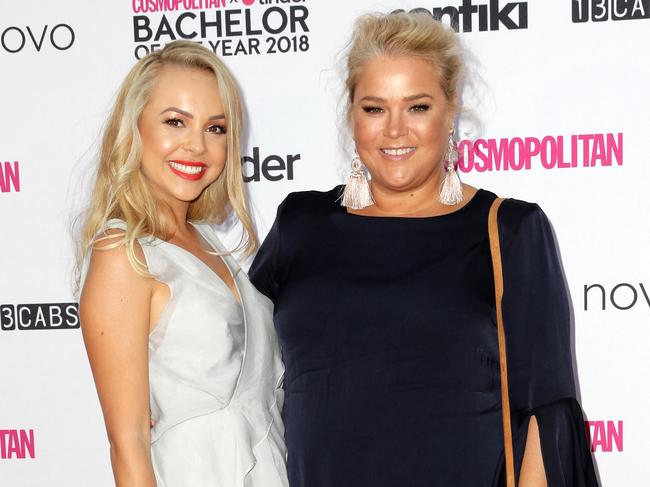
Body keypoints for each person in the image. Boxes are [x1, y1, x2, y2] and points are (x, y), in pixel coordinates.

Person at [249, 12, 598, 487]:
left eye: (417, 107)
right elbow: (238, 346)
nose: (395, 130)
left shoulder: (510, 230)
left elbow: (546, 412)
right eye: (374, 109)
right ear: (352, 112)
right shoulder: (301, 225)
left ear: (450, 108)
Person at [77, 41, 287, 487]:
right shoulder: (125, 252)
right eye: (175, 122)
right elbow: (128, 442)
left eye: (215, 128)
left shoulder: (206, 240)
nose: (196, 146)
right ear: (134, 128)